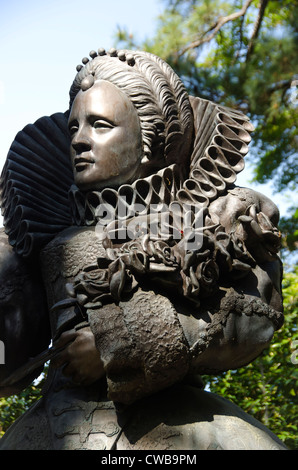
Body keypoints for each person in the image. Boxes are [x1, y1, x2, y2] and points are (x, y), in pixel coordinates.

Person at [0, 49, 286, 450]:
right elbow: (10, 354)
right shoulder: (42, 236)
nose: (80, 140)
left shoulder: (215, 218)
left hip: (180, 419)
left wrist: (113, 346)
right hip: (58, 426)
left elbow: (253, 319)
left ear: (147, 140)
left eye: (100, 125)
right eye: (74, 128)